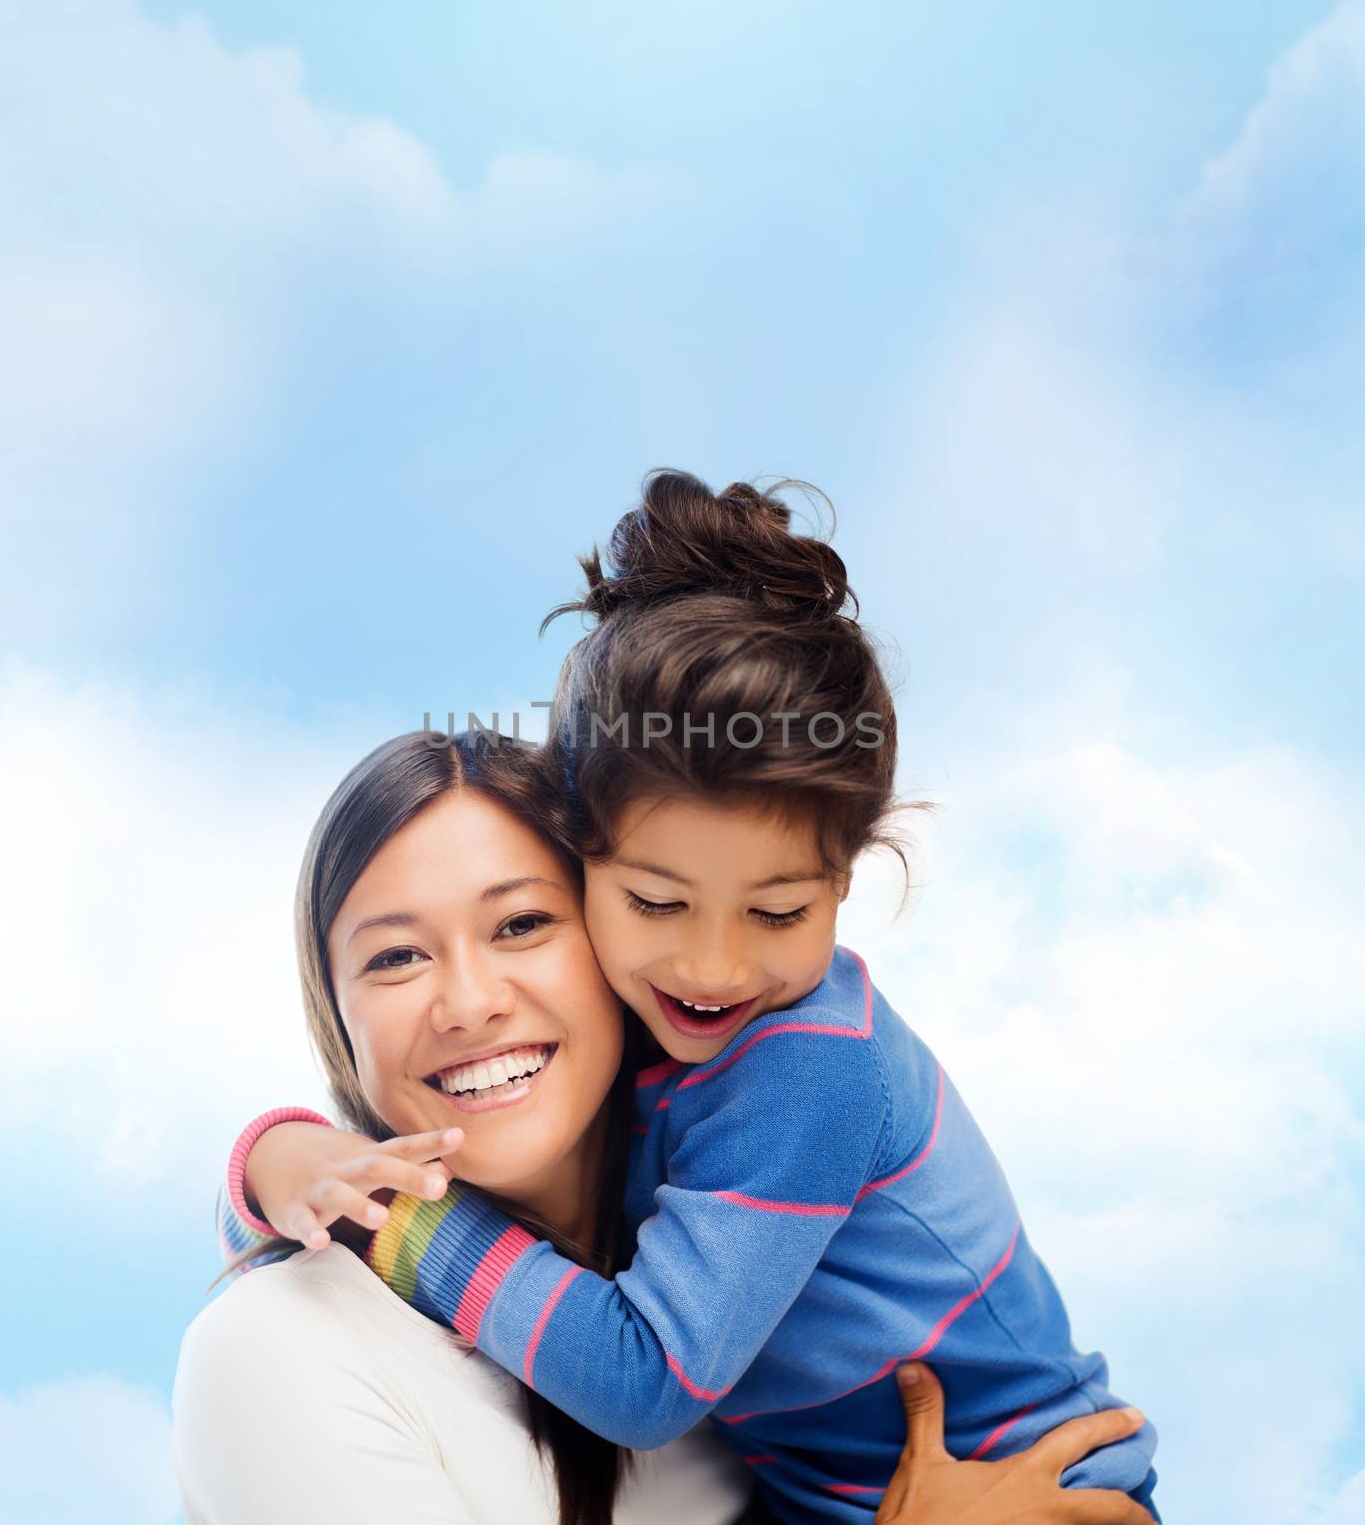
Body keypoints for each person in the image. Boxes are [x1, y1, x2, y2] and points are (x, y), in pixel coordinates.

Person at [218, 472, 1160, 1522]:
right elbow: (311, 1216)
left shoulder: (805, 1065)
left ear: (844, 882)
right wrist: (280, 1161)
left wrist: (391, 1218)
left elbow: (641, 1381)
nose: (712, 970)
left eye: (776, 913)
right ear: (586, 858)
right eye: (658, 902)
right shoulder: (637, 1036)